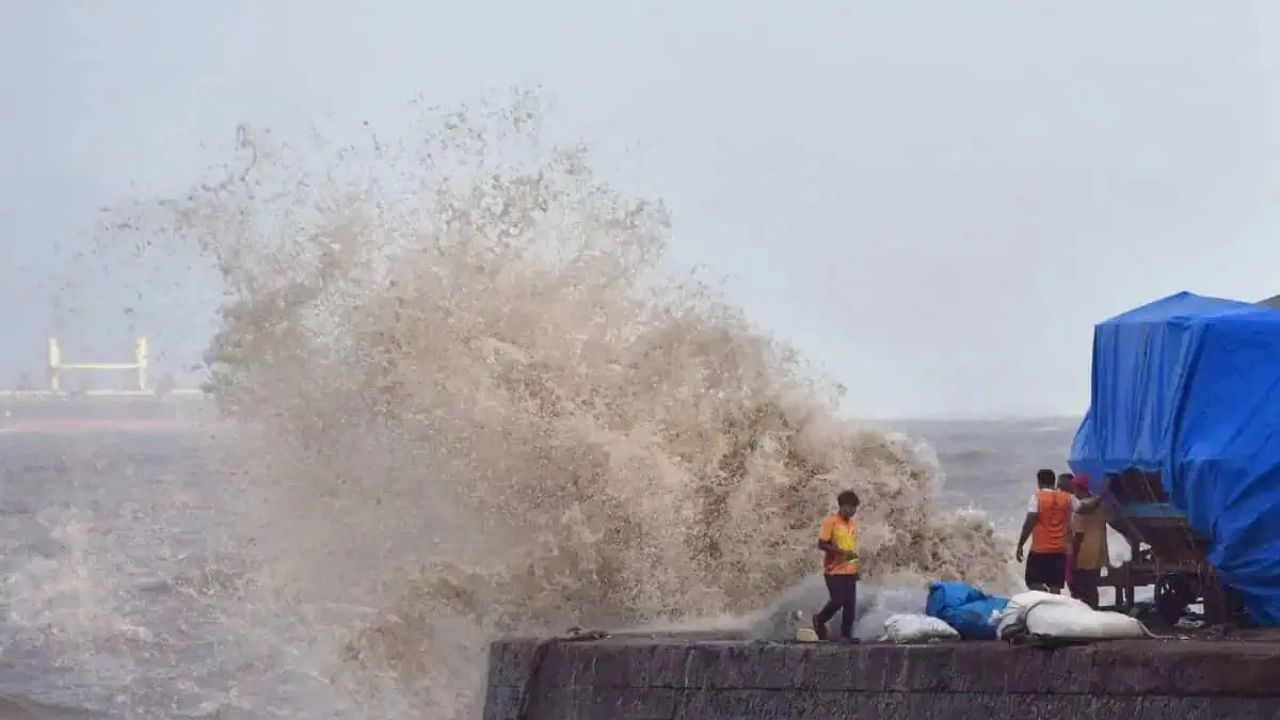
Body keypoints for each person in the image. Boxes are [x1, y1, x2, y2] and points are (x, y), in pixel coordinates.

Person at [1016, 469, 1100, 593]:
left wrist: (1021, 544)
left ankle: (1043, 597)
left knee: (1033, 582)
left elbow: (1031, 520)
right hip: (1060, 550)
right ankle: (1054, 604)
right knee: (1055, 585)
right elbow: (1085, 509)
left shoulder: (1037, 497)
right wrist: (1100, 497)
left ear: (1039, 482)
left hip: (1040, 549)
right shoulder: (1067, 498)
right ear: (1053, 482)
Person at [814, 489, 861, 643]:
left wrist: (856, 568)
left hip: (850, 571)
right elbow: (822, 544)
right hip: (833, 570)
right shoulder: (831, 521)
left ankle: (846, 636)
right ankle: (819, 619)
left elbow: (852, 547)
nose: (851, 511)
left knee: (850, 607)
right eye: (848, 507)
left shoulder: (853, 524)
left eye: (854, 508)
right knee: (838, 600)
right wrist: (841, 552)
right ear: (841, 506)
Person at [1068, 474, 1109, 608]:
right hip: (1098, 553)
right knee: (1092, 587)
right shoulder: (1100, 507)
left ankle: (1083, 614)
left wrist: (1073, 555)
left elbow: (1078, 535)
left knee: (1078, 589)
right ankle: (1093, 611)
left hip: (1083, 555)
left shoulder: (1080, 508)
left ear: (1076, 488)